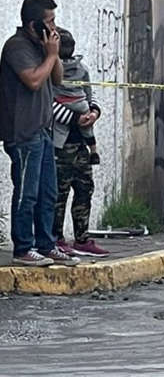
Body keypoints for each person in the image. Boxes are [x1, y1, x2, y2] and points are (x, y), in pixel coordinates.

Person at [0, 0, 79, 267]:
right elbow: (33, 80)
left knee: (48, 192)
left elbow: (57, 78)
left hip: (43, 131)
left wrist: (52, 54)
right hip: (23, 133)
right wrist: (51, 54)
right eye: (50, 22)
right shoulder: (16, 47)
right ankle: (23, 247)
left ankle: (46, 244)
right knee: (27, 192)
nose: (54, 27)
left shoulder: (42, 47)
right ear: (34, 25)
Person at [51, 28, 108, 257]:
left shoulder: (81, 70)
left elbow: (89, 95)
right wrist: (77, 118)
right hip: (60, 144)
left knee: (84, 189)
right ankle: (56, 238)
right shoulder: (50, 71)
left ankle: (82, 238)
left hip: (81, 145)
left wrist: (94, 112)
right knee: (59, 194)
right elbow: (49, 105)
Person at [52, 28, 100, 164]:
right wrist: (90, 112)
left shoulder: (50, 69)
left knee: (59, 131)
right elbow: (89, 92)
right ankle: (94, 151)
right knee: (88, 129)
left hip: (63, 109)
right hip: (82, 105)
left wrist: (95, 112)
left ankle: (57, 150)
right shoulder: (82, 68)